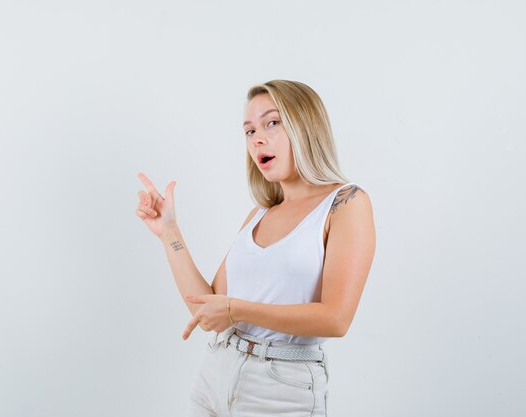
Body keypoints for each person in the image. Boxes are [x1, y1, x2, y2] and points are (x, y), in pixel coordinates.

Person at [135, 79, 376, 416]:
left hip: (281, 388)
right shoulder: (258, 215)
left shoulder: (346, 202)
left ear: (305, 126)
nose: (257, 138)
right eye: (249, 130)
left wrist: (237, 309)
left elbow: (336, 319)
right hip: (215, 375)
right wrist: (169, 233)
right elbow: (207, 310)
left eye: (272, 123)